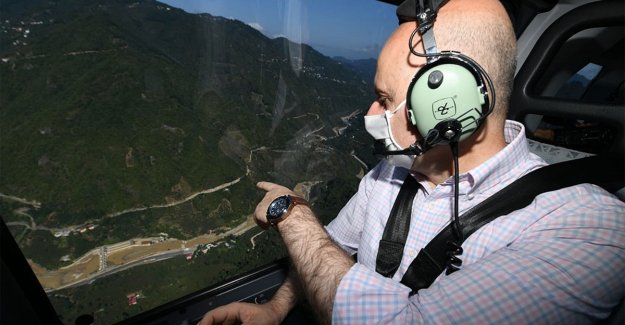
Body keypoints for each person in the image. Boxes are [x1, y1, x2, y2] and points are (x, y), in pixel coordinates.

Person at [200, 0, 625, 324]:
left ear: (448, 103)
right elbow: (328, 252)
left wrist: (291, 215)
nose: (370, 115)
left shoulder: (591, 226)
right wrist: (276, 308)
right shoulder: (391, 173)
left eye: (385, 99)